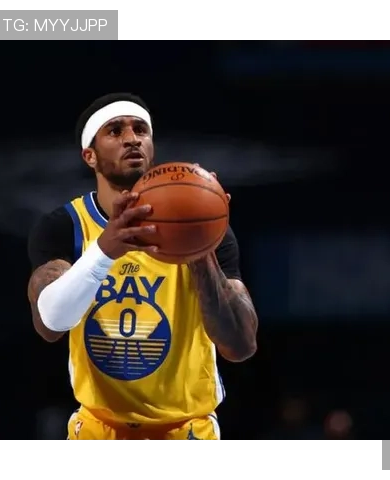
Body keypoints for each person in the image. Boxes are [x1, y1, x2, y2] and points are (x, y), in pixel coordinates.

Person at [26, 93, 258, 440]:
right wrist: (104, 251)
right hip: (99, 432)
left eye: (140, 130)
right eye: (115, 131)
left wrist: (199, 247)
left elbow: (240, 345)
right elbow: (50, 324)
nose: (132, 138)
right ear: (90, 155)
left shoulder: (206, 231)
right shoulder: (65, 227)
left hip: (187, 431)